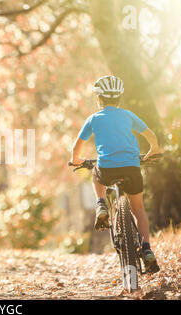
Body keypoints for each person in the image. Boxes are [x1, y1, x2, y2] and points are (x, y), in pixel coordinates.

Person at [70, 75, 161, 273]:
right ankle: (146, 248)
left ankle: (101, 203)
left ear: (99, 99)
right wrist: (153, 151)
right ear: (119, 98)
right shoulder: (128, 115)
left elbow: (76, 147)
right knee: (139, 210)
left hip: (107, 169)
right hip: (132, 167)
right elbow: (151, 136)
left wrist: (76, 160)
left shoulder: (94, 119)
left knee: (95, 171)